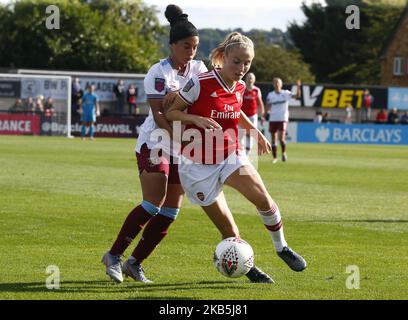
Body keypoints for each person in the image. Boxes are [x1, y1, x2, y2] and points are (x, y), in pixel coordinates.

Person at [166, 32, 307, 283]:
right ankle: (249, 268)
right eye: (237, 61)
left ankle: (281, 247)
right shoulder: (201, 82)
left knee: (263, 198)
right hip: (196, 166)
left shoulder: (240, 86)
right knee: (229, 232)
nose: (242, 68)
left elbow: (236, 109)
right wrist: (195, 119)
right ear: (224, 57)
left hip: (229, 154)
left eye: (247, 63)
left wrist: (256, 132)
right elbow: (171, 112)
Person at [102, 4, 210, 284]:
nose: (192, 52)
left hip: (181, 146)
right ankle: (113, 256)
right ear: (173, 45)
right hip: (156, 141)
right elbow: (160, 116)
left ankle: (134, 263)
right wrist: (185, 139)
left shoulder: (198, 68)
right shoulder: (159, 72)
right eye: (186, 46)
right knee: (153, 203)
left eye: (195, 47)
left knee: (171, 212)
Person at [265, 78, 301, 164]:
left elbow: (297, 96)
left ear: (281, 84)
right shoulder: (270, 95)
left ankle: (284, 153)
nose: (277, 84)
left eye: (278, 83)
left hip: (282, 118)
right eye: (275, 83)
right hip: (273, 118)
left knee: (281, 139)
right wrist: (264, 115)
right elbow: (267, 106)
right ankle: (275, 158)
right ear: (273, 85)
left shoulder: (286, 93)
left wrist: (298, 87)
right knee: (273, 139)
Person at [240, 72, 265, 155]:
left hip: (252, 115)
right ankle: (241, 151)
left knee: (251, 133)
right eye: (248, 78)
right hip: (242, 116)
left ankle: (248, 152)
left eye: (251, 78)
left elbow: (260, 103)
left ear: (254, 80)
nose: (250, 79)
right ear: (246, 79)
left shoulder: (256, 90)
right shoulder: (242, 88)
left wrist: (262, 115)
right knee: (241, 133)